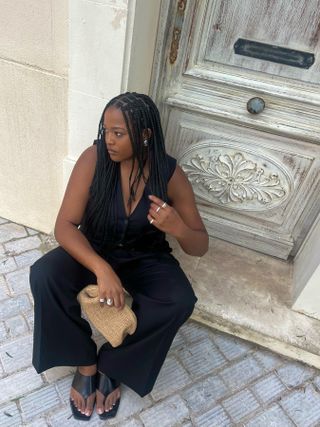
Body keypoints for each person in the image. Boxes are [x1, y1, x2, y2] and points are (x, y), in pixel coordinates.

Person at [29, 92, 208, 421]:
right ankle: (85, 361)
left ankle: (115, 364)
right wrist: (101, 269)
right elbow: (65, 226)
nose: (108, 140)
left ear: (144, 135)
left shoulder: (169, 174)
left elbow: (200, 244)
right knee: (44, 275)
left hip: (145, 256)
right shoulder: (94, 159)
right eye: (105, 130)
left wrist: (178, 228)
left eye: (118, 133)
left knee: (180, 300)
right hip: (95, 248)